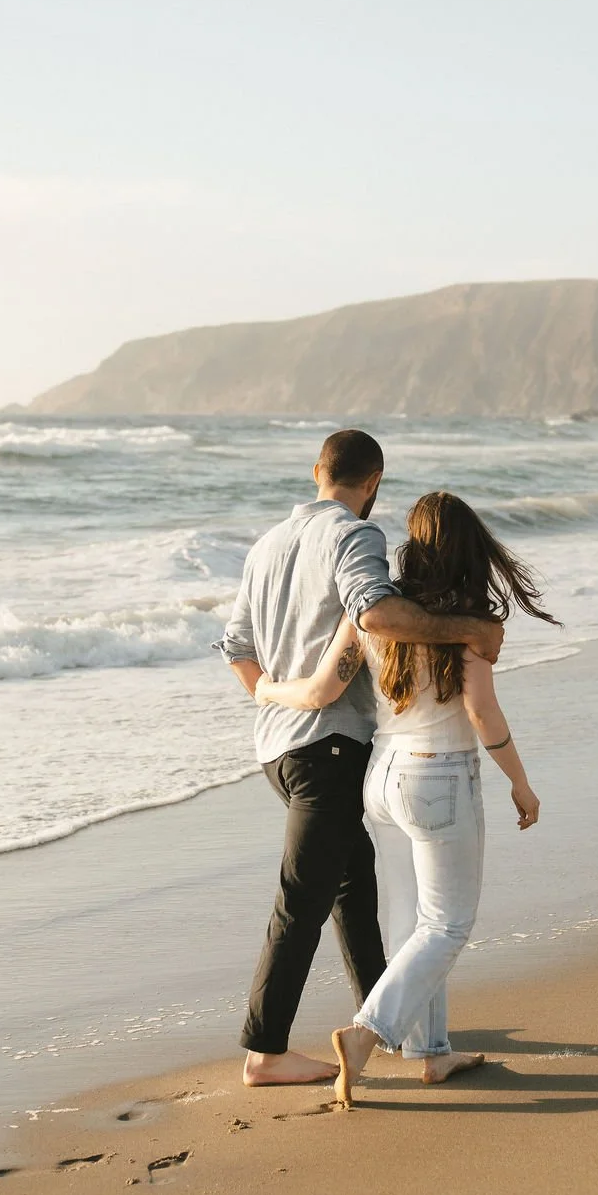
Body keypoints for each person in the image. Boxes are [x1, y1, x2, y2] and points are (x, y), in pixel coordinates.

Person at [219, 432, 507, 1087]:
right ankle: (265, 1051)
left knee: (353, 886)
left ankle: (388, 1019)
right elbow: (375, 614)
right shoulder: (354, 536)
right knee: (306, 898)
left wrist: (272, 695)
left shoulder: (264, 546)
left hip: (276, 744)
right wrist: (468, 628)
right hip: (331, 744)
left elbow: (236, 646)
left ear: (317, 471)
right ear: (373, 481)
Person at [254, 490, 555, 1106]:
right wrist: (519, 782)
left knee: (409, 921)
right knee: (447, 924)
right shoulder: (470, 622)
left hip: (381, 779)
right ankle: (367, 1034)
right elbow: (481, 711)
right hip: (439, 776)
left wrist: (262, 690)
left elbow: (318, 690)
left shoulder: (374, 613)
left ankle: (430, 1052)